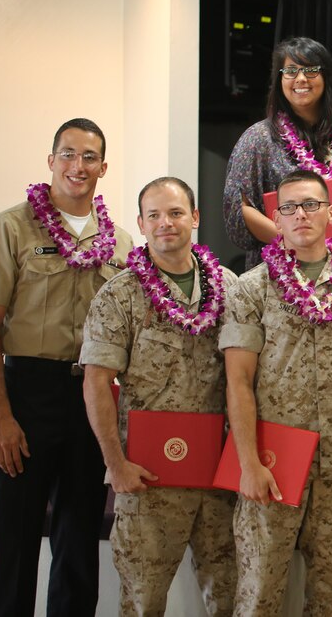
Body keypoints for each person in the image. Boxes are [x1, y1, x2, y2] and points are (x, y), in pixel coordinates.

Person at [219, 169, 332, 614]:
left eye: (312, 205)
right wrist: (248, 463)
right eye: (290, 208)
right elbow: (238, 381)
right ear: (276, 220)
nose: (302, 215)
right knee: (259, 594)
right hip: (272, 460)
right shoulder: (251, 288)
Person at [0, 118, 133, 616]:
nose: (78, 166)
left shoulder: (120, 242)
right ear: (51, 161)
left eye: (89, 156)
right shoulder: (10, 227)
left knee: (79, 537)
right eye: (68, 154)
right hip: (28, 391)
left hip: (93, 396)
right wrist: (0, 417)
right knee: (17, 537)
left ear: (103, 167)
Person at [80, 177, 237, 616]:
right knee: (143, 602)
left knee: (229, 599)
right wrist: (116, 466)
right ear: (141, 224)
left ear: (195, 218)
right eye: (154, 215)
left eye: (175, 213)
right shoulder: (119, 295)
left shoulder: (229, 287)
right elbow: (96, 383)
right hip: (148, 479)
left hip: (217, 479)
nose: (165, 223)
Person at [223, 36, 332, 269]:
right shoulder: (257, 139)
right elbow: (241, 208)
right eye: (290, 71)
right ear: (279, 79)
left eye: (310, 70)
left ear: (326, 76)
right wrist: (294, 241)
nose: (300, 79)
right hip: (280, 270)